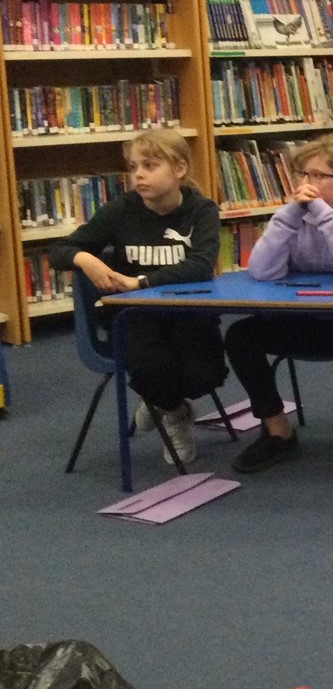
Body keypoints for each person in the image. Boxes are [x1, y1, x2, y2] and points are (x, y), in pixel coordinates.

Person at [48, 127, 225, 465]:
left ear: (179, 169)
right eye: (133, 167)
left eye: (150, 165)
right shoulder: (121, 211)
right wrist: (84, 258)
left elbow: (201, 266)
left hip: (189, 311)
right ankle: (174, 413)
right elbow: (60, 250)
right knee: (150, 365)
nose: (139, 174)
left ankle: (162, 401)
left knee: (208, 373)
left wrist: (140, 281)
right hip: (136, 314)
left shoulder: (201, 211)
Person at [223, 134, 333, 477]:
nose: (307, 184)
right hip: (302, 317)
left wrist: (328, 218)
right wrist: (286, 218)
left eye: (317, 176)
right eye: (304, 175)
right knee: (240, 336)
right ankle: (277, 431)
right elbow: (261, 271)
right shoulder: (293, 216)